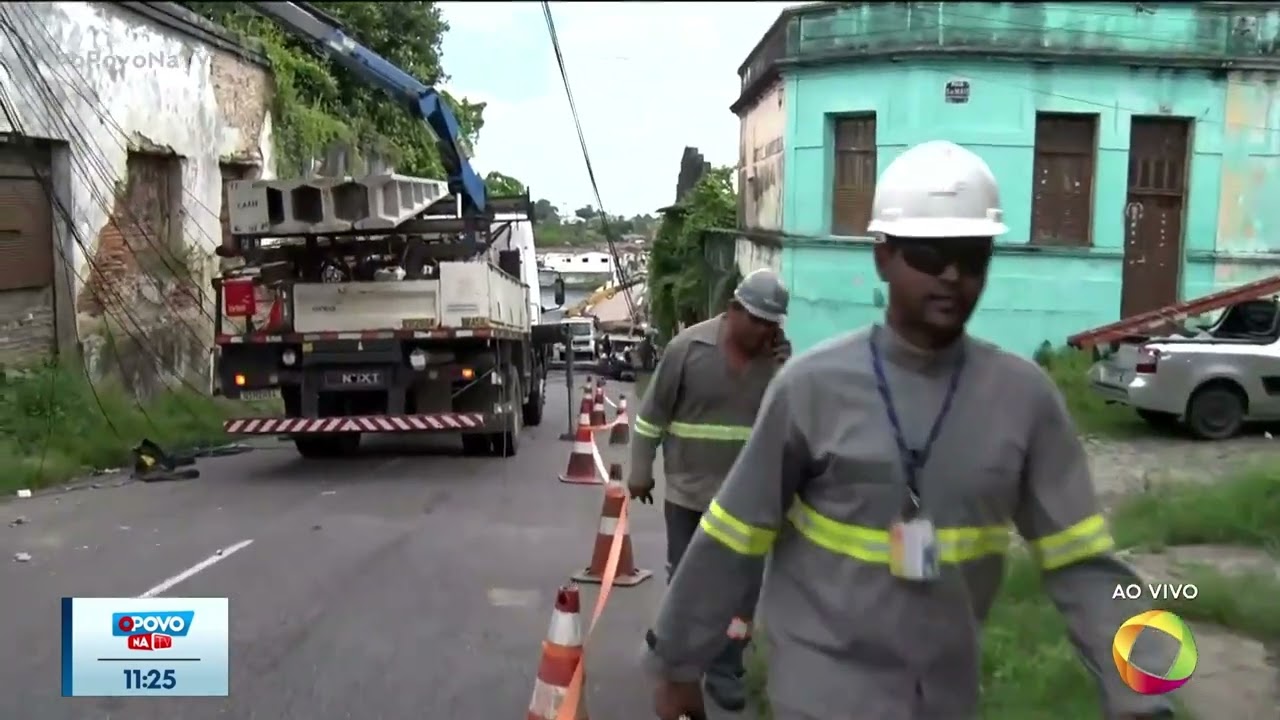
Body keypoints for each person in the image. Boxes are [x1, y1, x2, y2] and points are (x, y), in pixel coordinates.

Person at [640, 141, 1174, 720]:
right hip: (819, 695)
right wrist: (677, 662)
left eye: (971, 255)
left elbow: (1087, 565)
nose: (951, 273)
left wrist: (1150, 691)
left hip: (945, 697)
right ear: (883, 257)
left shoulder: (1025, 401)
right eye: (928, 251)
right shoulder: (810, 389)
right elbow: (731, 536)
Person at [627, 268, 791, 712]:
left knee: (742, 592)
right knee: (687, 581)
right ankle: (681, 662)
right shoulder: (688, 349)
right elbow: (651, 415)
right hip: (689, 491)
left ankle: (726, 664)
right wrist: (639, 468)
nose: (763, 331)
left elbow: (790, 422)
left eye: (771, 324)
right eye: (755, 320)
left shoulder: (776, 363)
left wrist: (784, 369)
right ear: (733, 309)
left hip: (747, 501)